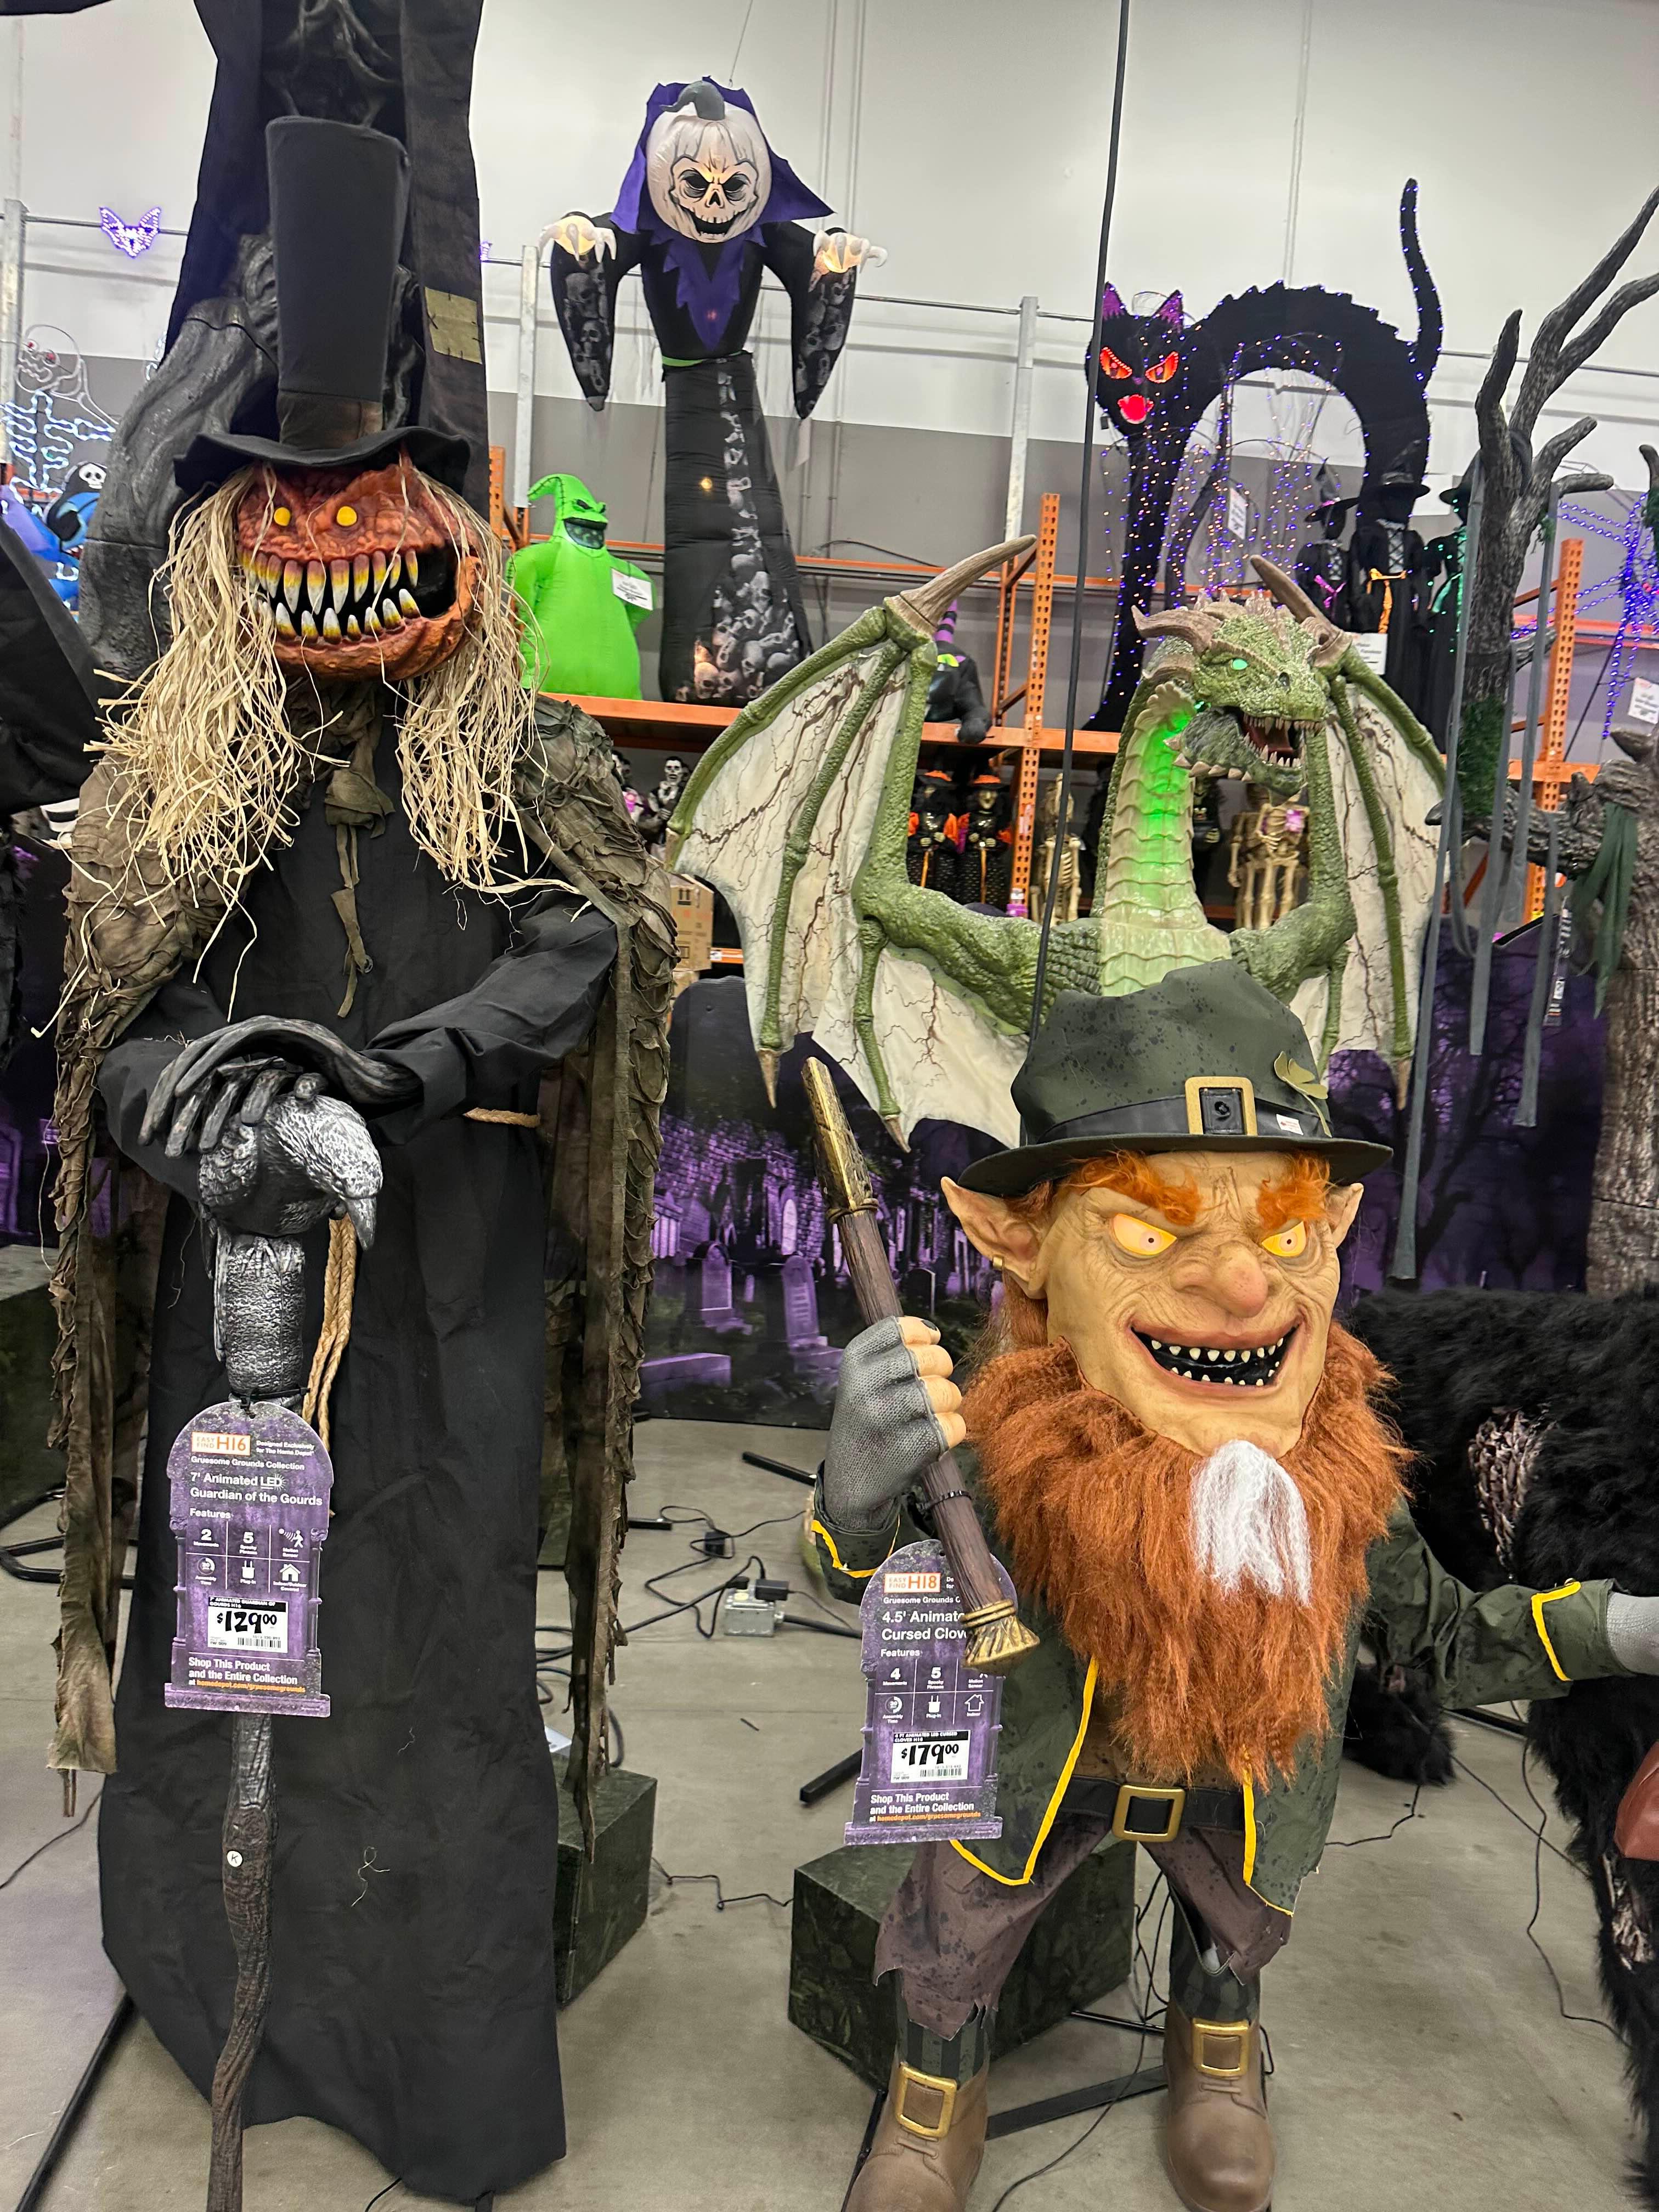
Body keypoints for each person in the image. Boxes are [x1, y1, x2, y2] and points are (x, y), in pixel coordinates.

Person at [813, 962, 1659, 2212]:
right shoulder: (992, 1455)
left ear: (1337, 1233)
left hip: (1243, 1777)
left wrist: (1623, 1630)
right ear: (1022, 1244)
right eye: (1149, 1233)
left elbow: (1442, 1639)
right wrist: (853, 1492)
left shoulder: (1340, 1478)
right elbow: (870, 1579)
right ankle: (935, 2097)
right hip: (1034, 1772)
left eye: (1287, 1232)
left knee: (1236, 1919)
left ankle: (1217, 2054)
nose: (1247, 1286)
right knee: (955, 1934)